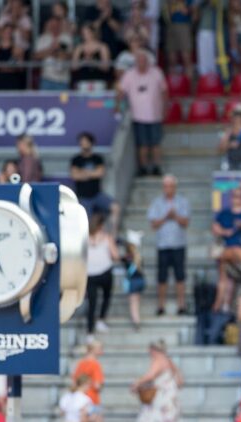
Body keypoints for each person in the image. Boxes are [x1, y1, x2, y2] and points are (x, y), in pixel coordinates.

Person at [129, 341, 182, 422]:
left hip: (160, 401)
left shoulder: (159, 360)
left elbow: (150, 375)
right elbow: (180, 381)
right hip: (171, 400)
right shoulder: (170, 362)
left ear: (153, 350)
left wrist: (136, 383)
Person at [117, 48, 166, 176]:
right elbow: (121, 91)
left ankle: (156, 167)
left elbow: (164, 91)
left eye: (144, 60)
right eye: (139, 60)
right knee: (142, 145)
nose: (142, 62)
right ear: (136, 62)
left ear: (148, 61)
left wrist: (165, 108)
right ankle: (143, 168)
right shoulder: (129, 74)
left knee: (155, 143)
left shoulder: (156, 72)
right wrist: (117, 106)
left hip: (155, 115)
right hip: (138, 116)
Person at [147, 174, 190, 316]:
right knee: (162, 277)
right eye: (166, 186)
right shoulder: (156, 203)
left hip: (178, 244)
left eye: (171, 186)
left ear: (175, 187)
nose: (168, 189)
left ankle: (181, 305)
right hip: (163, 245)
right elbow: (153, 224)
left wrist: (175, 216)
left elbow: (185, 222)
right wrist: (166, 217)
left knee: (180, 276)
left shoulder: (183, 201)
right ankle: (161, 306)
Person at [71, 132, 121, 235]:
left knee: (115, 208)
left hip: (97, 194)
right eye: (82, 142)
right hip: (83, 197)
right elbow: (75, 176)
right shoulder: (76, 160)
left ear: (91, 143)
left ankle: (112, 235)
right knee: (85, 221)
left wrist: (83, 173)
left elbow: (100, 173)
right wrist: (92, 173)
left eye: (86, 142)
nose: (84, 144)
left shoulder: (97, 158)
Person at [120, 230, 145, 330]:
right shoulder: (139, 256)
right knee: (136, 301)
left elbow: (119, 258)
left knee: (133, 303)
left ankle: (136, 320)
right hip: (140, 281)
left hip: (133, 282)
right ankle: (136, 318)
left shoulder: (127, 257)